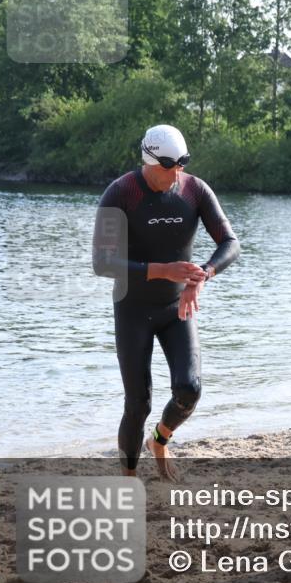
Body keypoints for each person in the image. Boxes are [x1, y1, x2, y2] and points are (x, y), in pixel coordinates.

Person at [92, 124, 240, 481]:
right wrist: (164, 270)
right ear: (149, 159)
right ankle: (129, 478)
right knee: (138, 404)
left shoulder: (194, 190)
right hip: (133, 310)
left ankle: (159, 441)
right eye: (169, 165)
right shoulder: (121, 193)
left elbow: (230, 243)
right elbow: (102, 262)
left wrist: (200, 276)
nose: (177, 173)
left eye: (182, 164)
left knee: (190, 389)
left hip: (177, 310)